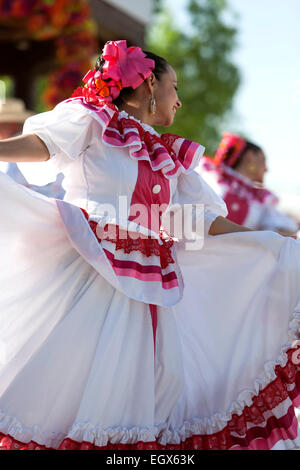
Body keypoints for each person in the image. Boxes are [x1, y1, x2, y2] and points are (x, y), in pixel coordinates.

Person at [0, 40, 300, 451]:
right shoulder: (94, 119)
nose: (178, 100)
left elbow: (193, 219)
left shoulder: (165, 154)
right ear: (149, 85)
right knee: (74, 386)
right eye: (174, 86)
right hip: (89, 270)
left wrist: (266, 241)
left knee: (152, 388)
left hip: (148, 287)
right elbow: (45, 146)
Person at [197, 132, 299, 237]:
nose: (266, 169)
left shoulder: (259, 200)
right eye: (263, 160)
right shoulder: (209, 175)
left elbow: (282, 228)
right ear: (250, 157)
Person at [0, 98, 65, 199]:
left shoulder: (12, 148)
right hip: (61, 206)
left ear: (10, 123)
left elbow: (7, 184)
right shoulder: (45, 139)